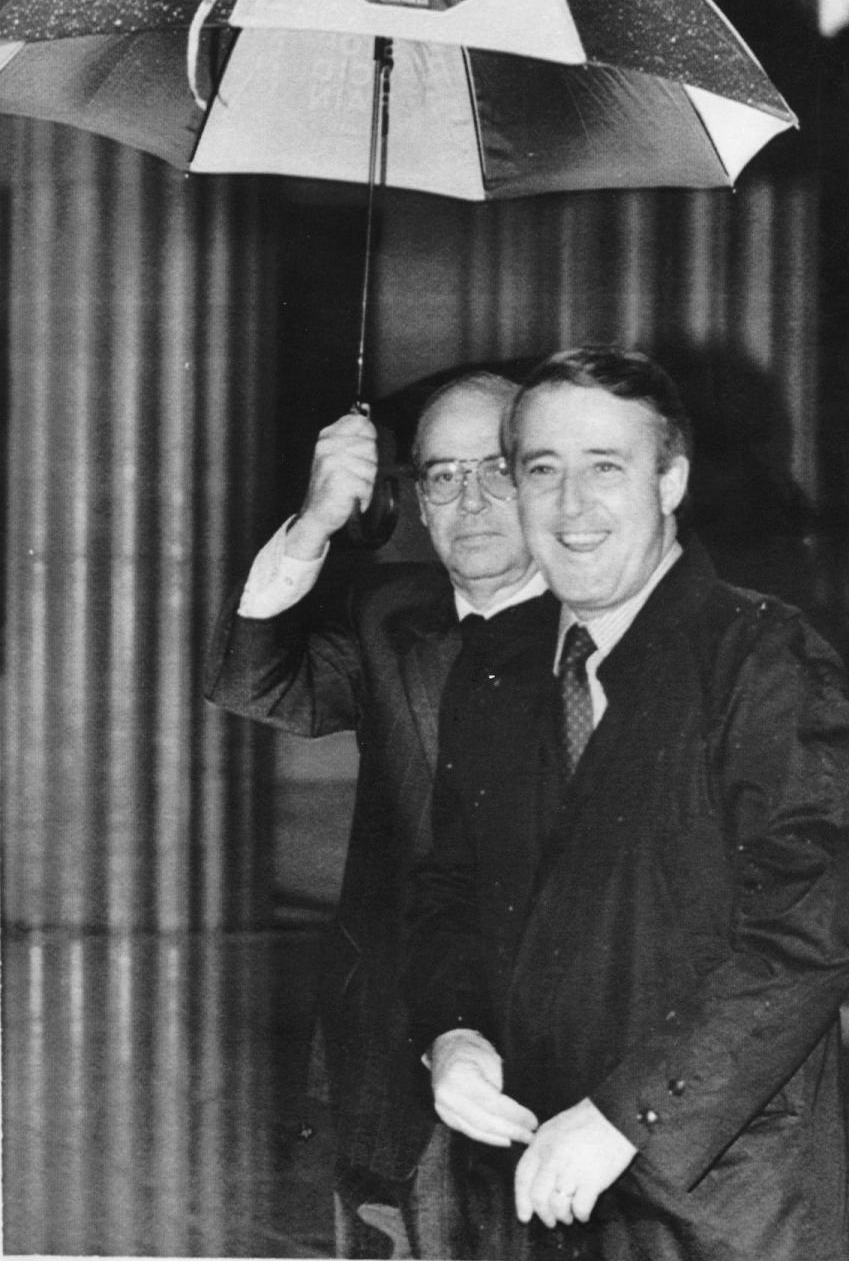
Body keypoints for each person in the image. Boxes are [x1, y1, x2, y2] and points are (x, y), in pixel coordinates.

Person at [406, 346, 849, 1261]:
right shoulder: (495, 668)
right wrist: (450, 1032)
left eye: (605, 469)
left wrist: (628, 1115)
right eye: (540, 470)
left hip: (709, 1201)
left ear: (671, 482)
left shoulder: (762, 660)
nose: (571, 507)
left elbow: (806, 936)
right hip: (516, 1190)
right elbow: (446, 896)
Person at [205, 372, 553, 1258]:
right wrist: (317, 521)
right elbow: (254, 682)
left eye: (499, 470)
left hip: (554, 1040)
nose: (470, 500)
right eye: (442, 476)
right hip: (388, 1034)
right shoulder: (390, 613)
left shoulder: (609, 626)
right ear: (415, 502)